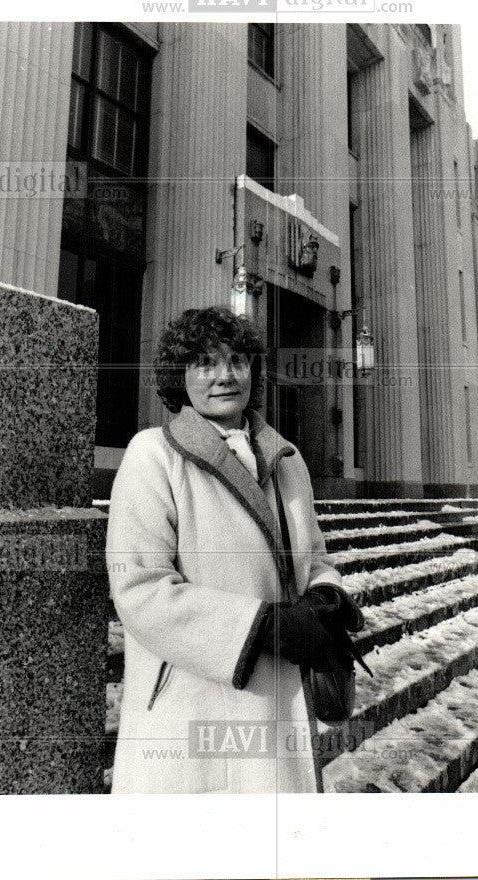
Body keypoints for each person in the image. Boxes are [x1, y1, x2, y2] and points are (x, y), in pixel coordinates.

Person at [106, 305, 364, 793]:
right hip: (192, 709)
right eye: (205, 363)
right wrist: (267, 626)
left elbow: (316, 561)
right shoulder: (152, 455)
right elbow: (140, 590)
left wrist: (325, 598)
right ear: (179, 377)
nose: (225, 376)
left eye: (238, 361)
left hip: (277, 709)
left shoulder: (287, 459)